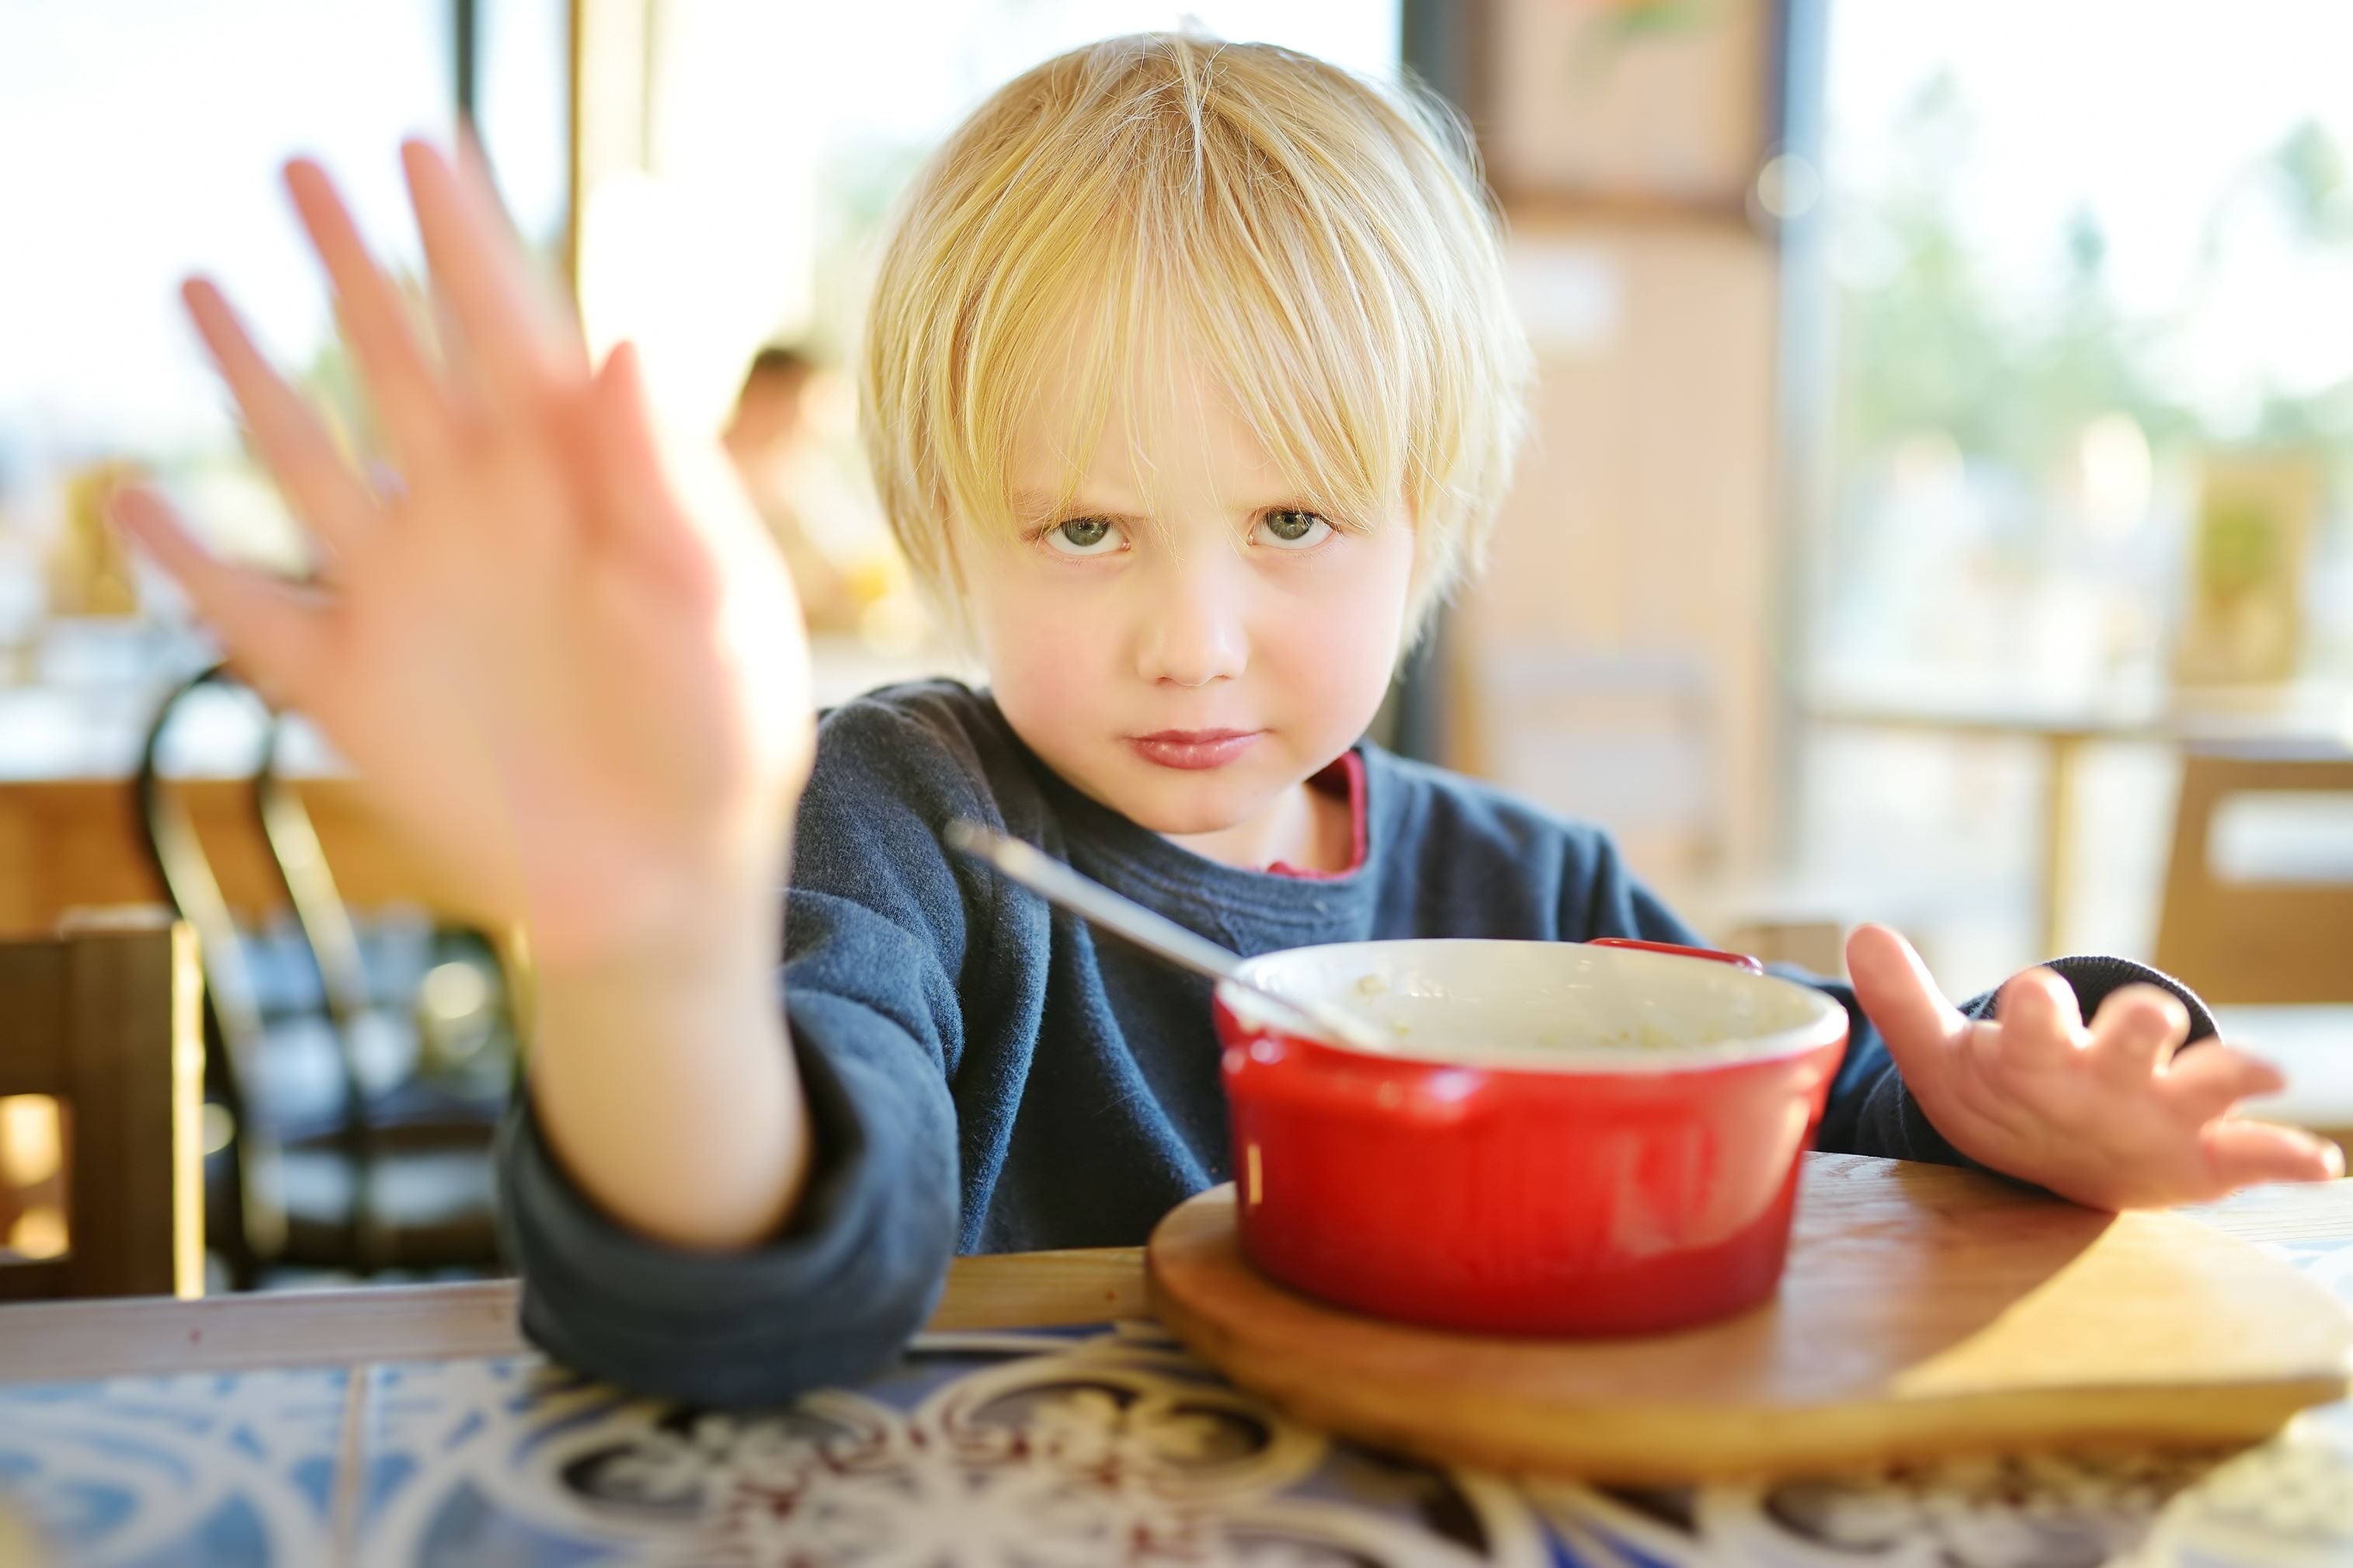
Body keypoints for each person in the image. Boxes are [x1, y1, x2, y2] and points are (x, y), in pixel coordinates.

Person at [113, 34, 2341, 1410]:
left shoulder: (1522, 888)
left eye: (1289, 517)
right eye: (1084, 527)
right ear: (944, 527)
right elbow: (749, 1285)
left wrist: (2037, 1099)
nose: (1192, 638)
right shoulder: (905, 818)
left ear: (1427, 519)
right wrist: (634, 937)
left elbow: (1854, 1101)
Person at [720, 345, 856, 633]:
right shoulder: (710, 478)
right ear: (762, 395)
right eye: (798, 404)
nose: (807, 422)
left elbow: (832, 569)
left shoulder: (797, 478)